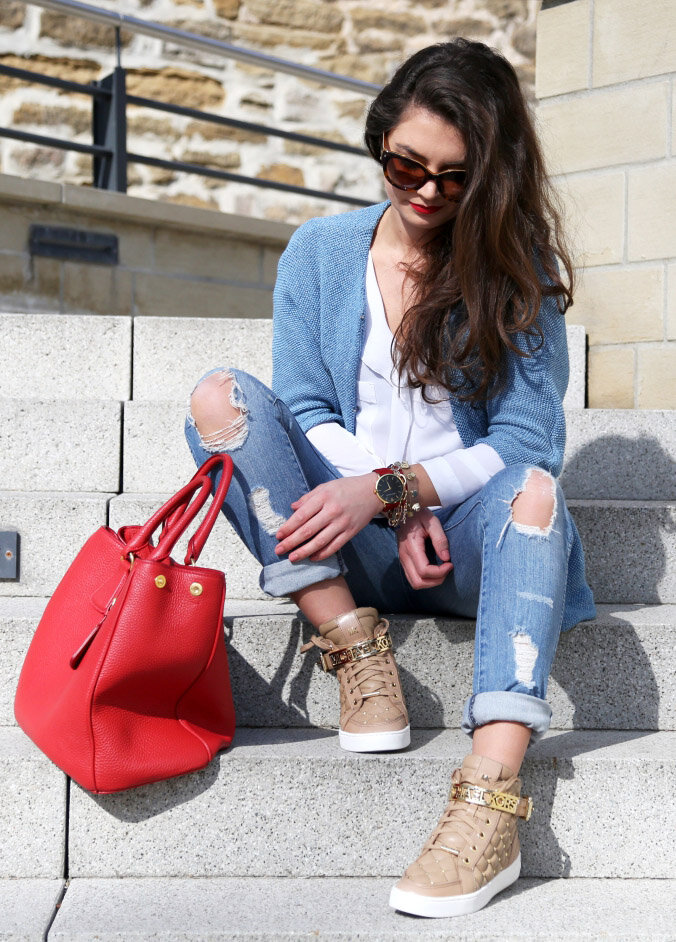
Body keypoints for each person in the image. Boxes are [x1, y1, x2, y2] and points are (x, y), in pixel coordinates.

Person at [185, 39, 595, 919]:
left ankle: (489, 804)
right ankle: (355, 652)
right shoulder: (321, 251)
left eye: (455, 175)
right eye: (406, 163)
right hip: (345, 547)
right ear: (379, 142)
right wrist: (382, 494)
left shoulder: (517, 271)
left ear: (489, 175)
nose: (427, 191)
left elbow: (529, 440)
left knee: (535, 495)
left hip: (473, 546)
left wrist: (403, 491)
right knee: (219, 401)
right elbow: (301, 405)